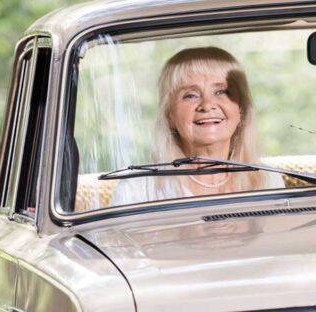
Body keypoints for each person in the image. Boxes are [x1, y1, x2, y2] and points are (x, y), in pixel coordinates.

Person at [110, 47, 283, 205]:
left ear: (241, 111)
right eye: (191, 95)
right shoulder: (137, 188)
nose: (207, 105)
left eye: (221, 92)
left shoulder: (266, 179)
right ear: (169, 115)